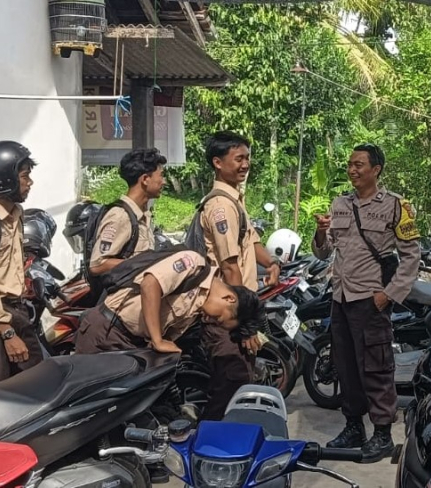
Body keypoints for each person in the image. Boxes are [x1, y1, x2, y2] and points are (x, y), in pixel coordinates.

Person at [313, 143, 420, 463]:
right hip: (341, 298)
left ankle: (383, 434)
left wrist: (389, 294)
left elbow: (411, 257)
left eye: (359, 164)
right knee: (345, 367)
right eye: (350, 164)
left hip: (370, 301)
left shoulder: (396, 205)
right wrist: (320, 233)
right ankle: (353, 427)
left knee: (376, 367)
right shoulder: (340, 204)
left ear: (376, 169)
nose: (352, 170)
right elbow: (324, 252)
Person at [200, 130, 280, 420]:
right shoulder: (221, 206)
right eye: (238, 159)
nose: (245, 164)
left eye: (247, 158)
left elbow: (252, 241)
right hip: (228, 314)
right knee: (232, 385)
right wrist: (245, 326)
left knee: (241, 381)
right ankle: (210, 437)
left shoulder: (235, 200)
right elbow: (230, 266)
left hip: (239, 309)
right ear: (218, 162)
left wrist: (272, 263)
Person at [74, 249, 262, 355]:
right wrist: (157, 340)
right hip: (106, 331)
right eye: (219, 318)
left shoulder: (198, 307)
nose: (211, 320)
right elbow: (150, 284)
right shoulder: (193, 265)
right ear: (229, 298)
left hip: (131, 343)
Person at [0, 140, 43, 380]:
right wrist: (6, 331)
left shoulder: (16, 213)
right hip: (3, 317)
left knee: (34, 381)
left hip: (15, 310)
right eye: (25, 176)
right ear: (6, 179)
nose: (30, 182)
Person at [89, 148, 166, 277]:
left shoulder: (143, 215)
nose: (164, 182)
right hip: (125, 289)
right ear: (145, 179)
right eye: (161, 176)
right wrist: (143, 264)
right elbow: (98, 265)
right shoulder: (120, 216)